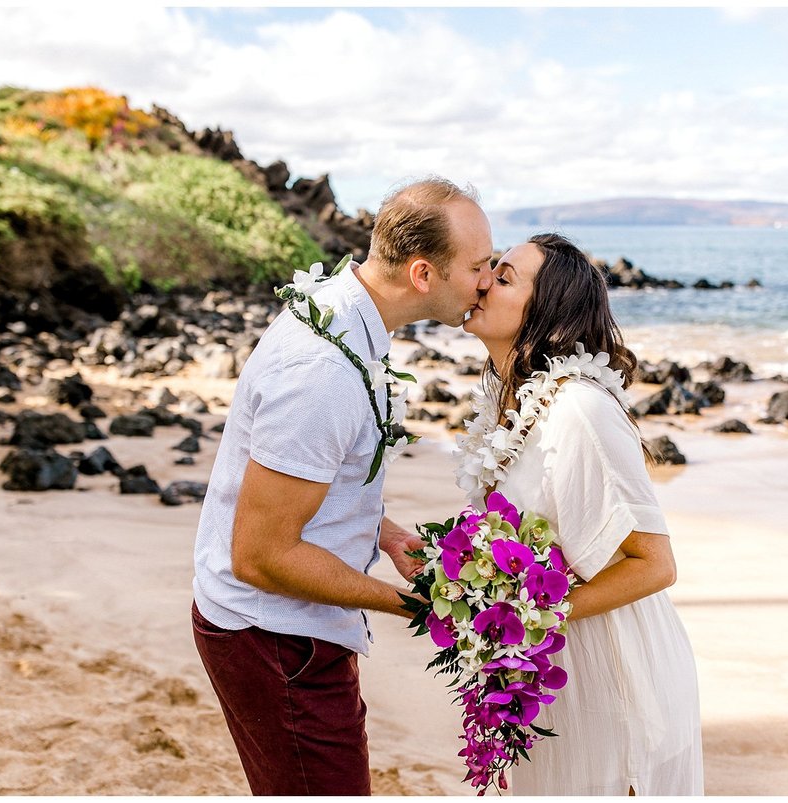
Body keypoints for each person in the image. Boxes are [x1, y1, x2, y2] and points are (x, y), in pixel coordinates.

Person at [191, 176, 494, 795]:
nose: (487, 281)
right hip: (273, 635)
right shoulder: (323, 373)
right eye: (478, 266)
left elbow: (312, 474)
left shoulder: (348, 315)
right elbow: (260, 555)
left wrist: (379, 531)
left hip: (291, 624)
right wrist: (419, 605)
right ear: (422, 274)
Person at [459, 233, 704, 795]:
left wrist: (529, 621)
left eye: (504, 277)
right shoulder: (509, 403)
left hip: (615, 679)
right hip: (551, 676)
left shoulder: (579, 409)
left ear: (547, 314)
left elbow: (654, 564)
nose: (481, 282)